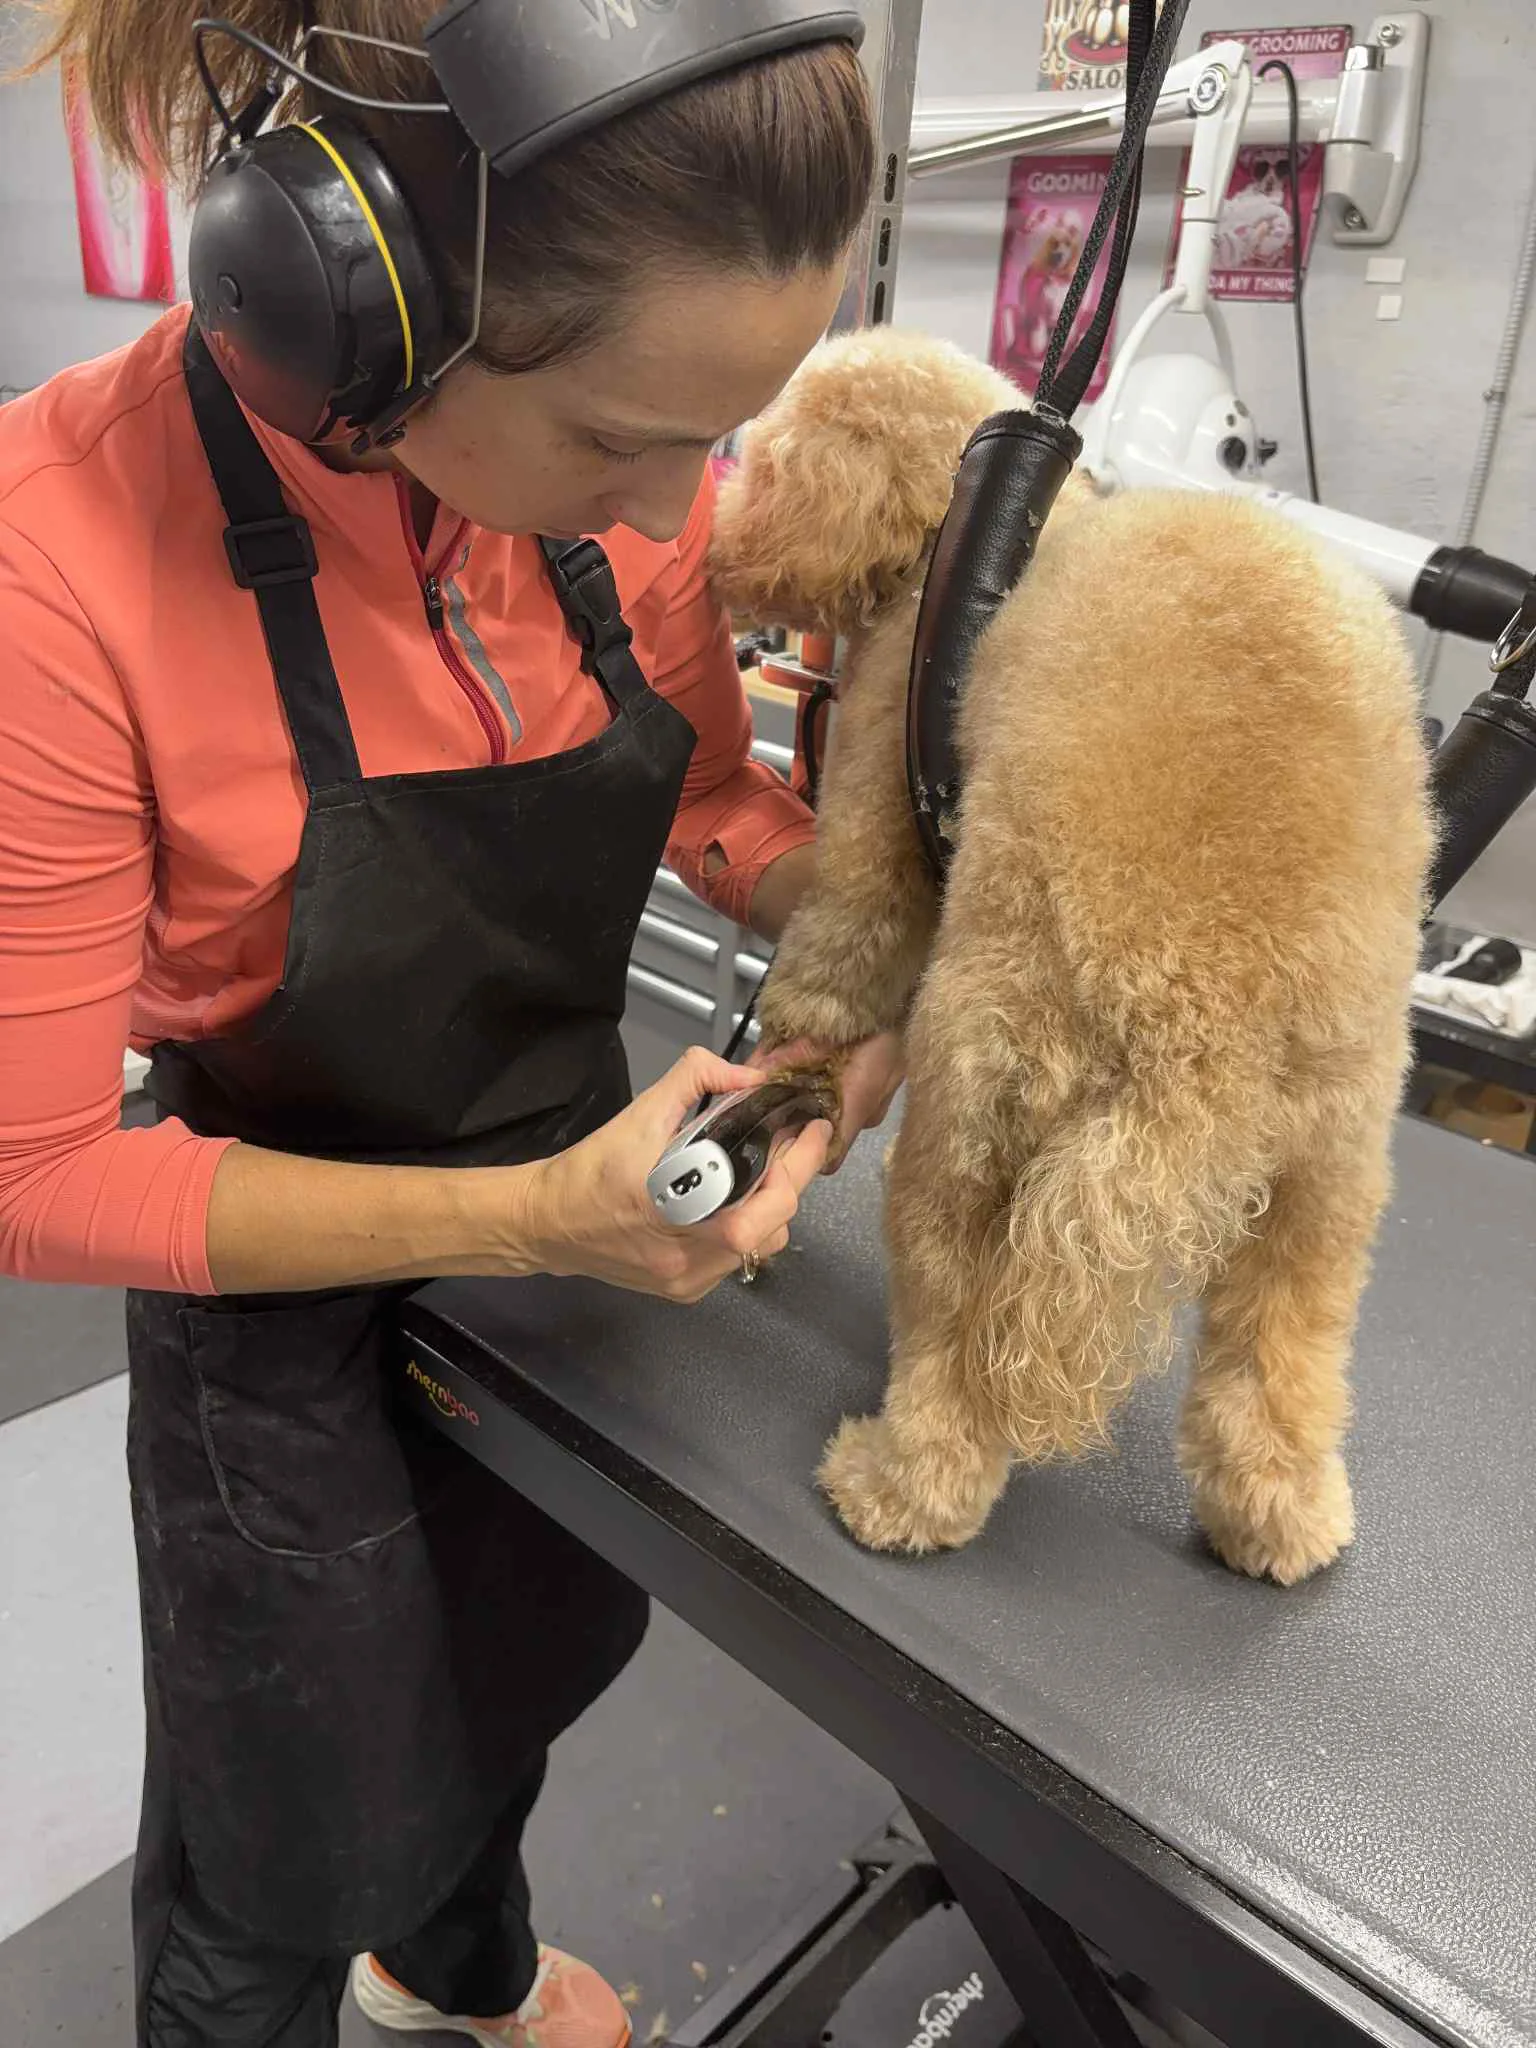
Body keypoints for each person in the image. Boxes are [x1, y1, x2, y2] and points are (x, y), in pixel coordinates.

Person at [0, 4, 903, 2041]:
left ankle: (464, 1975)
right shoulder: (56, 566)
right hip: (280, 1284)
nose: (684, 524)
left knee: (518, 1670)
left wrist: (873, 946)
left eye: (717, 436)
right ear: (354, 314)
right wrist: (535, 1218)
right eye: (613, 441)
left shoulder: (625, 520)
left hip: (579, 1203)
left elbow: (711, 798)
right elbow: (33, 1173)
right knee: (270, 1838)